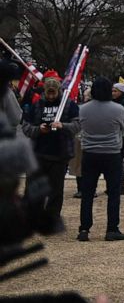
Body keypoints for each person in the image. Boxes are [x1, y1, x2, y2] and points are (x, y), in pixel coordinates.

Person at [77, 76, 124, 241]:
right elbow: (123, 127)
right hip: (112, 153)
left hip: (90, 153)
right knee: (114, 193)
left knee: (87, 193)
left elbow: (80, 128)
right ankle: (112, 228)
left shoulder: (83, 109)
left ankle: (84, 228)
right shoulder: (118, 109)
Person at [22, 75, 80, 220]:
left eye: (54, 92)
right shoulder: (36, 105)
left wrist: (63, 126)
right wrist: (38, 129)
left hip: (60, 153)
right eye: (49, 92)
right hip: (37, 152)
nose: (51, 96)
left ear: (59, 91)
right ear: (44, 91)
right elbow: (25, 127)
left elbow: (77, 126)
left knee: (56, 190)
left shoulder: (69, 105)